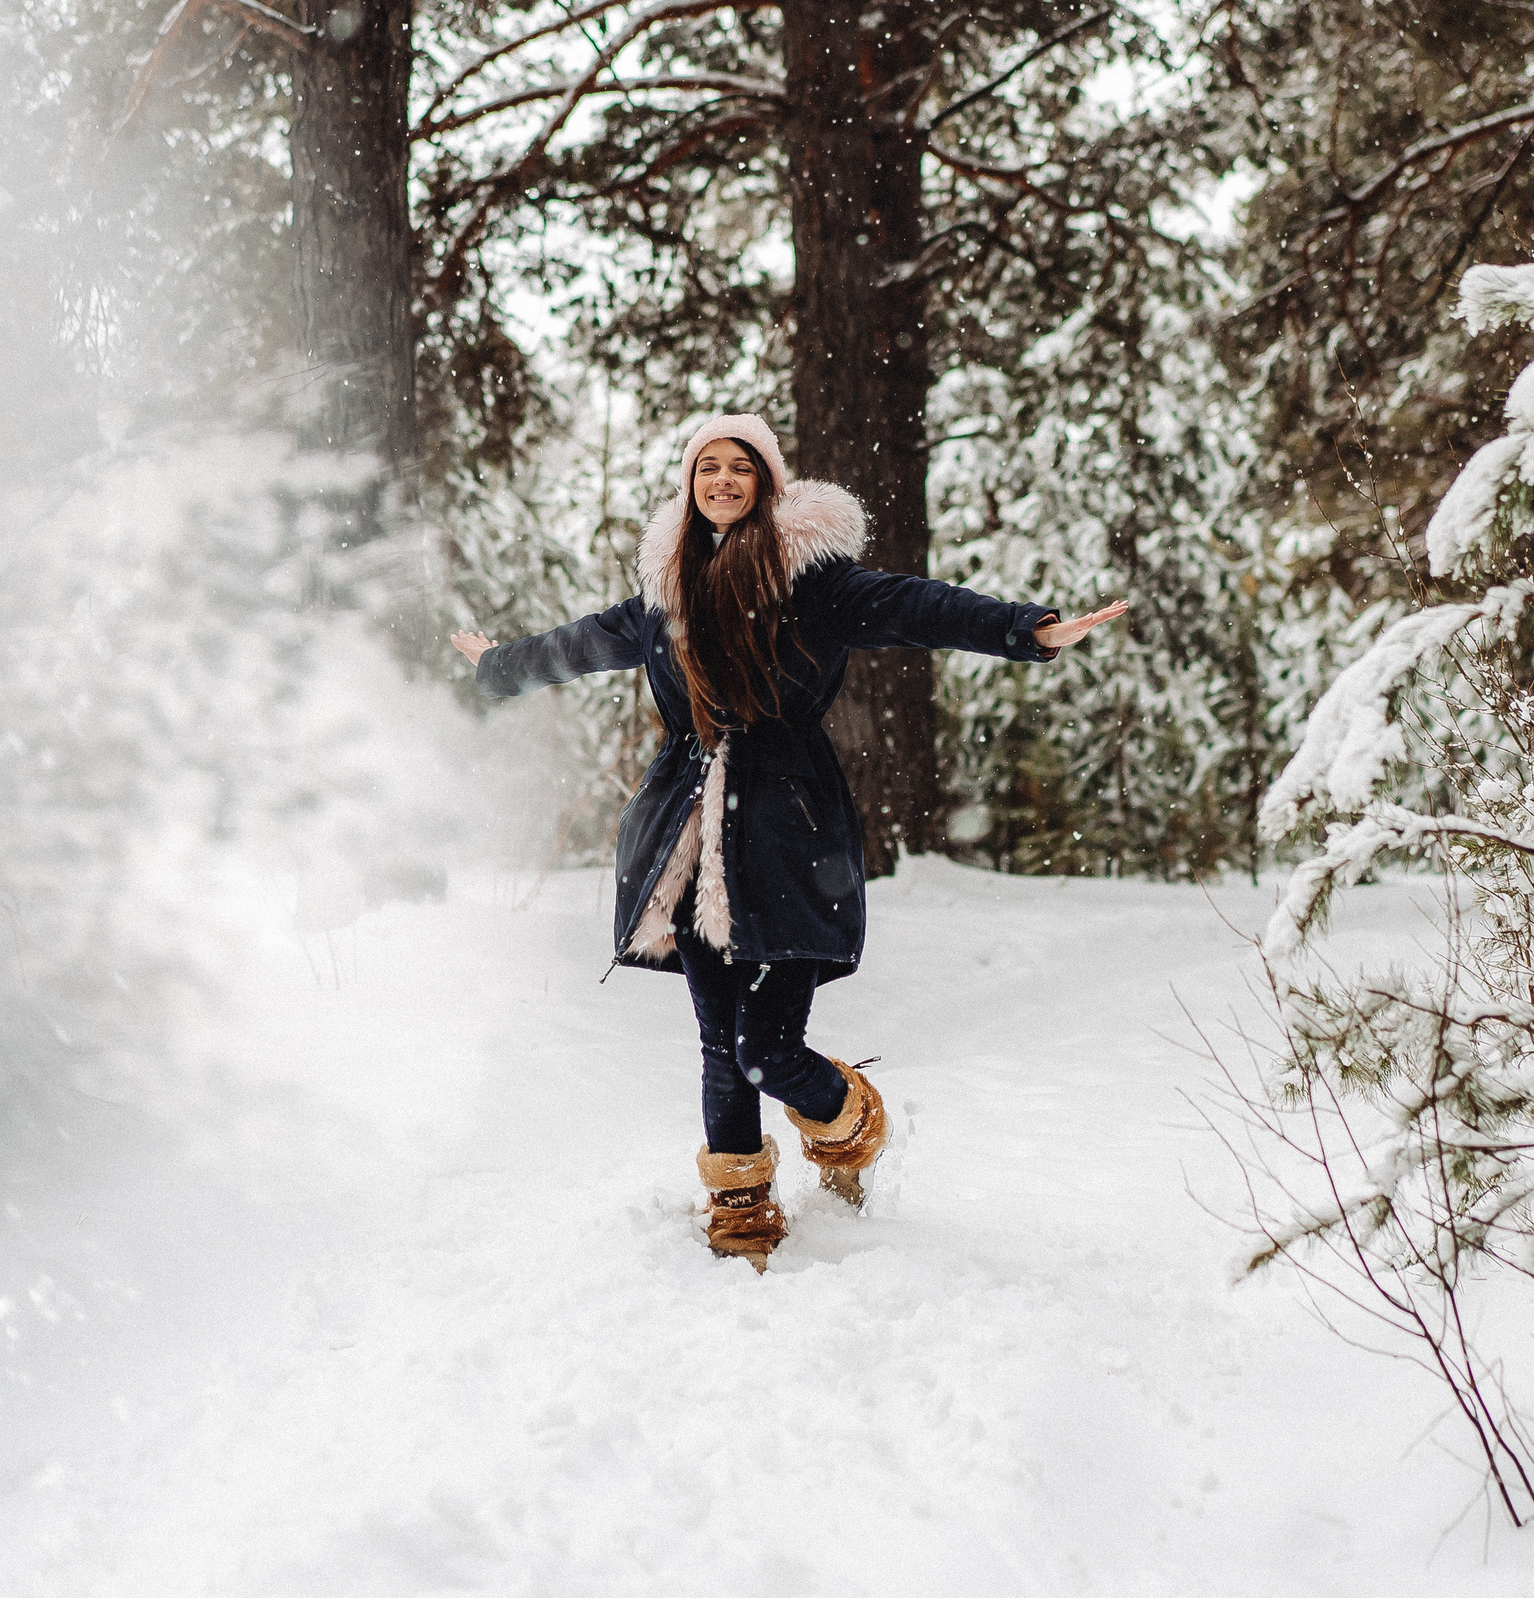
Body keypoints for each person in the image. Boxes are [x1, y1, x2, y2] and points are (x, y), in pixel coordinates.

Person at [452, 413, 1126, 1269]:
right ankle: (740, 1208)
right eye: (709, 468)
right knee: (717, 1041)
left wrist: (1026, 630)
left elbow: (918, 606)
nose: (724, 481)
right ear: (691, 486)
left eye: (741, 468)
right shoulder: (667, 594)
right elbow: (580, 645)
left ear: (766, 484)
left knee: (766, 1049)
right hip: (687, 841)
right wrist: (496, 665)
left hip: (790, 839)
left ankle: (851, 1121)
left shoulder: (816, 584)